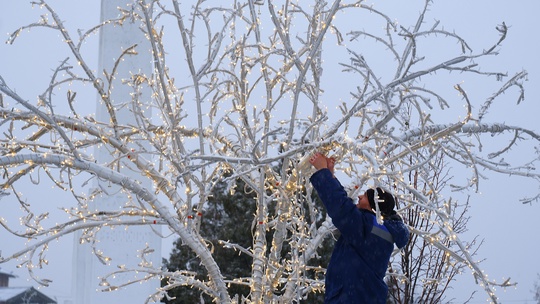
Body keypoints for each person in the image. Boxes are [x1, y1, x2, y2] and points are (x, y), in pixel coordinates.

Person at [308, 152, 410, 303]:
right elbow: (346, 207)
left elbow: (341, 206)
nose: (360, 197)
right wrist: (330, 175)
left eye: (366, 196)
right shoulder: (378, 230)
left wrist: (323, 172)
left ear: (375, 206)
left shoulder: (369, 228)